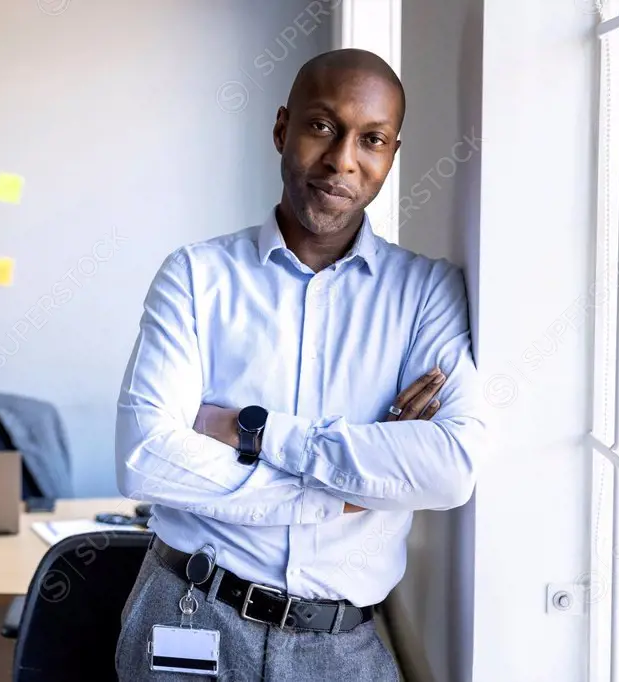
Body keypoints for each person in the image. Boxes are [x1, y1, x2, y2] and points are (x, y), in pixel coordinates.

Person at [113, 47, 487, 681]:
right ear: (282, 128)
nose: (343, 159)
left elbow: (449, 470)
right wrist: (344, 489)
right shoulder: (196, 278)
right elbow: (145, 457)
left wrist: (253, 430)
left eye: (372, 139)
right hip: (190, 617)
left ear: (392, 157)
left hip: (340, 647)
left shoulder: (427, 294)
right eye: (322, 126)